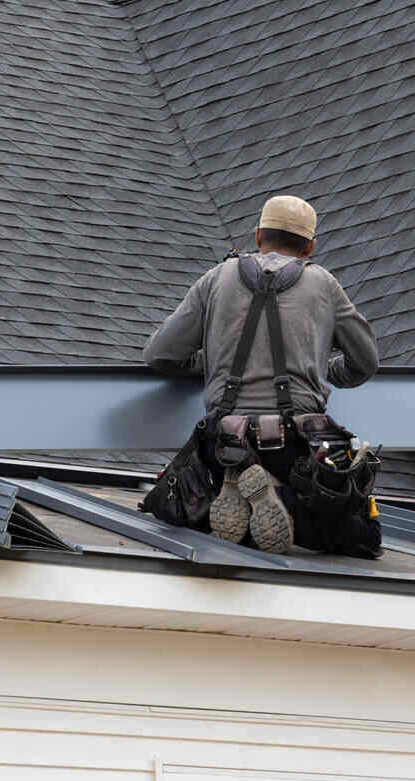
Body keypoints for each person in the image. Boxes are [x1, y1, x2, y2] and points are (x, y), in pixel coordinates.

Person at [144, 195, 378, 552]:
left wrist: (213, 366)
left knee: (179, 507)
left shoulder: (217, 278)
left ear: (257, 236)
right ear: (310, 246)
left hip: (222, 441)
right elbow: (365, 362)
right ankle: (276, 492)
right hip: (295, 448)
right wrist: (325, 371)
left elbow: (160, 354)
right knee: (363, 537)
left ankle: (237, 486)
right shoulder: (324, 285)